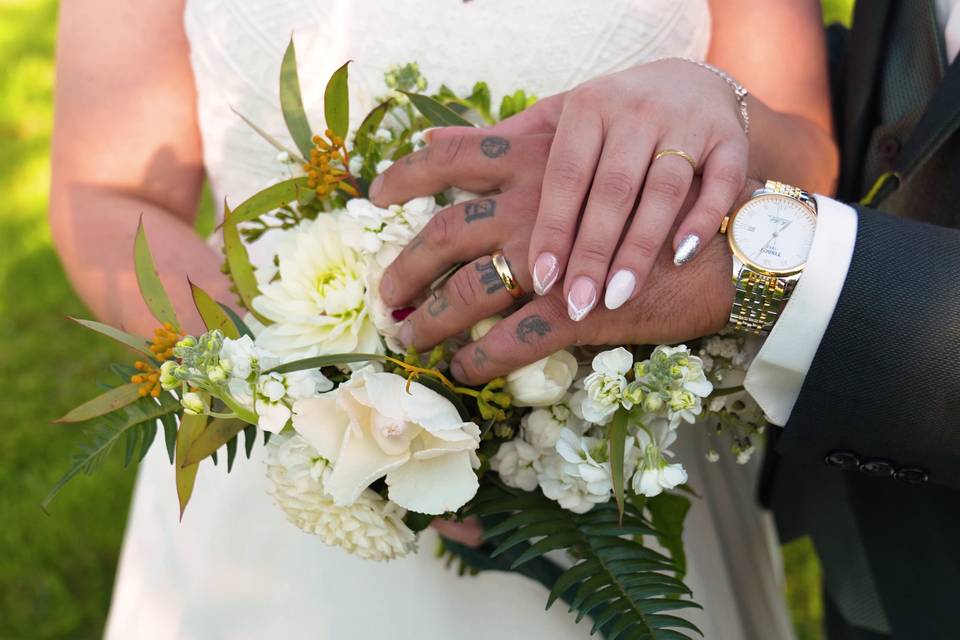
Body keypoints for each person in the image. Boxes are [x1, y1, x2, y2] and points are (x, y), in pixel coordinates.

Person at [50, 1, 835, 638]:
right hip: (292, 484)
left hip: (620, 462)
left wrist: (712, 110)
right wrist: (316, 393)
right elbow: (108, 198)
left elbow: (809, 160)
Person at [374, 1, 960, 637]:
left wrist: (757, 260)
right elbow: (891, 115)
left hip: (631, 492)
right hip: (881, 550)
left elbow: (809, 150)